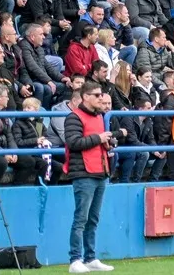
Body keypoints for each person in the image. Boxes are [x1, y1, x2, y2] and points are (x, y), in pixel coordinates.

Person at [64, 81, 116, 273]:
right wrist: (99, 139)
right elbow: (73, 142)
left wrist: (108, 143)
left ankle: (90, 257)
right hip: (83, 173)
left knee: (93, 218)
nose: (101, 98)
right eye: (97, 95)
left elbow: (96, 141)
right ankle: (75, 259)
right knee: (81, 219)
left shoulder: (100, 117)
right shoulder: (73, 117)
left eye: (101, 94)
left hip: (101, 171)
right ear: (85, 97)